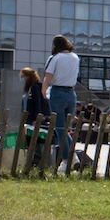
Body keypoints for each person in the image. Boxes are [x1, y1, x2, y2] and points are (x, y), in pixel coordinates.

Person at [40, 35, 80, 173]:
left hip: (57, 92)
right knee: (66, 128)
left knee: (59, 128)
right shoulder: (75, 57)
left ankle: (66, 160)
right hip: (71, 93)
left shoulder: (55, 58)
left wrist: (43, 91)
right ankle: (72, 156)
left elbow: (48, 77)